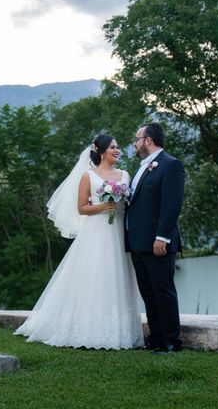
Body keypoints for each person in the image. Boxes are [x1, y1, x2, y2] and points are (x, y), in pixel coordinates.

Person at [14, 135, 144, 349]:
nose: (117, 150)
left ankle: (119, 330)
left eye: (118, 147)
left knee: (117, 275)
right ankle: (88, 327)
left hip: (119, 232)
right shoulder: (88, 176)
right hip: (97, 231)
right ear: (102, 151)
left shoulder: (125, 175)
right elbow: (82, 208)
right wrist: (103, 207)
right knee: (94, 276)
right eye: (113, 147)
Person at [124, 122, 185, 354]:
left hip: (158, 242)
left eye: (137, 139)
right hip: (138, 242)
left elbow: (171, 206)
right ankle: (156, 337)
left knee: (163, 290)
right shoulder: (142, 167)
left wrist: (162, 237)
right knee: (148, 291)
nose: (135, 144)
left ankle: (171, 340)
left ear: (148, 140)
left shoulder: (171, 165)